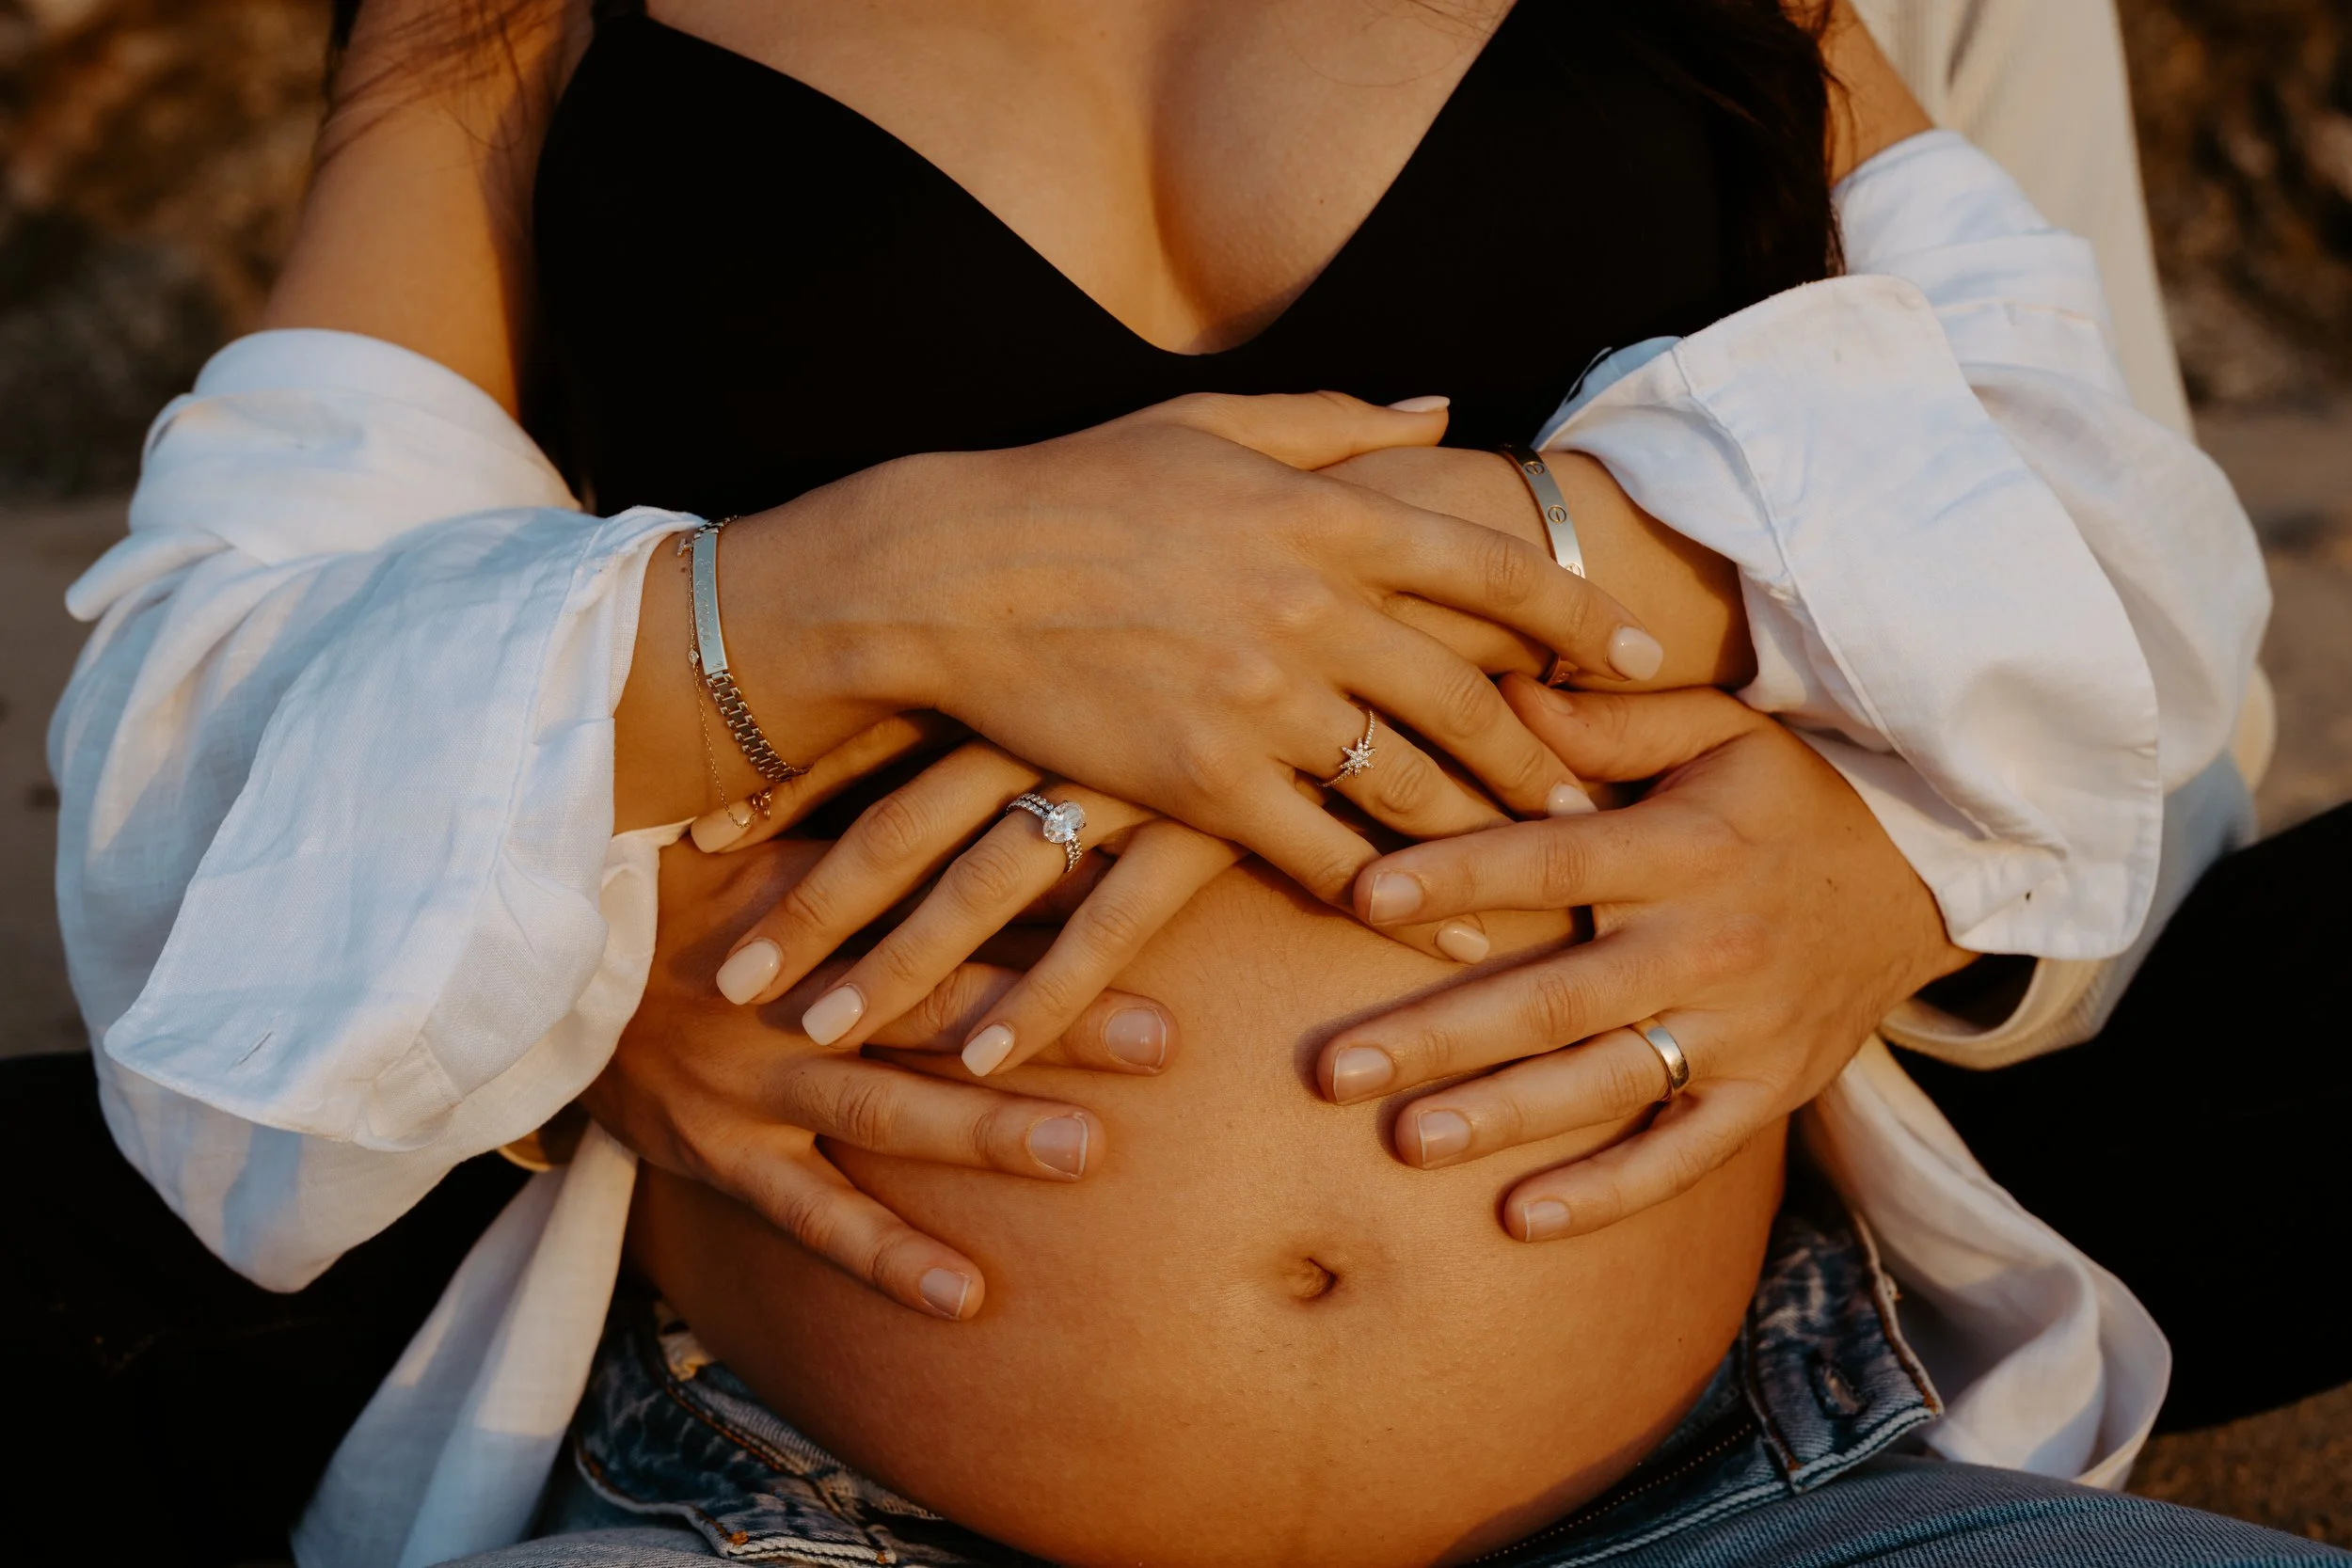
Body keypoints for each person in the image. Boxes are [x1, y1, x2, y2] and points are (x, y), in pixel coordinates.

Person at [46, 0, 2326, 1564]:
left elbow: (2109, 540)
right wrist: (834, 604)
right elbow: (201, 739)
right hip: (775, 1506)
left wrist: (1759, 718)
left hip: (1756, 1478)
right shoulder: (506, 25)